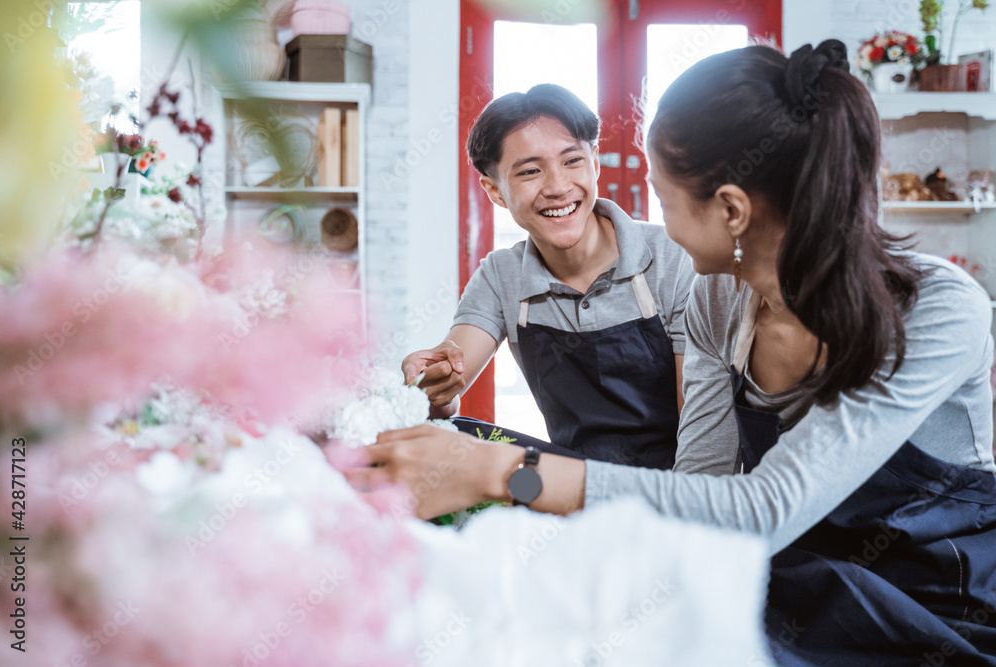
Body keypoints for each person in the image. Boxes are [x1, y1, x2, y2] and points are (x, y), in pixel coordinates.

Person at [351, 40, 996, 663]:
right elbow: (705, 495)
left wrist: (500, 473)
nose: (644, 216)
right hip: (796, 576)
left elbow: (762, 508)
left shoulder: (936, 311)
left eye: (661, 194)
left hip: (939, 605)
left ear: (731, 211)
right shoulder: (720, 302)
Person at [401, 83, 696, 470]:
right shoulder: (500, 276)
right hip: (569, 486)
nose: (558, 187)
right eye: (530, 171)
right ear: (495, 191)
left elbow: (701, 433)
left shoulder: (673, 258)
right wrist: (435, 385)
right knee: (456, 437)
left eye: (572, 161)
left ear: (595, 164)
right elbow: (449, 373)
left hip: (673, 489)